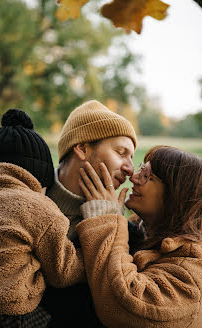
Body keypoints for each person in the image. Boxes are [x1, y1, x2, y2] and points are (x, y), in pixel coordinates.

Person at [43, 99, 144, 326]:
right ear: (82, 148)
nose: (130, 168)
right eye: (121, 152)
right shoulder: (29, 199)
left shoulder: (129, 234)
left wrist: (107, 222)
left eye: (131, 156)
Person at [77, 146, 202, 328]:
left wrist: (105, 219)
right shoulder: (138, 233)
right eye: (141, 169)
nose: (133, 178)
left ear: (175, 194)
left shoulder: (193, 269)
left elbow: (126, 304)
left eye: (146, 176)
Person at [0, 109, 85, 327]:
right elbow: (63, 273)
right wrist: (90, 253)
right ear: (40, 179)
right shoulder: (39, 208)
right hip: (11, 315)